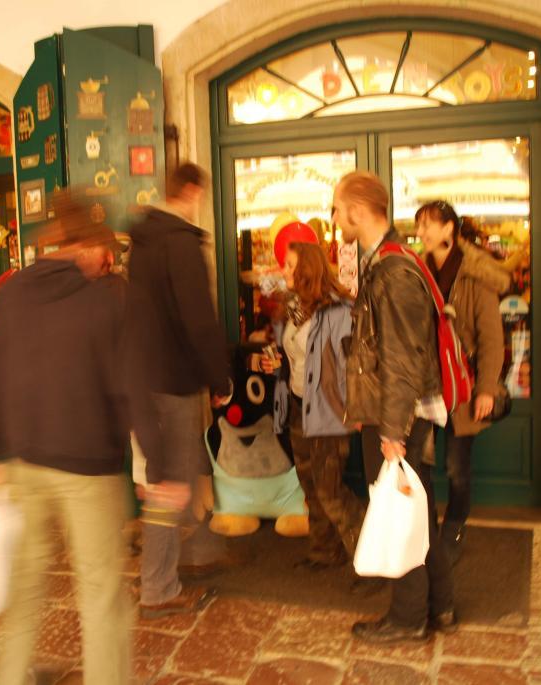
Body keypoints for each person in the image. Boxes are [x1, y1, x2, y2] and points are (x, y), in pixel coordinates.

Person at [0, 190, 160, 685]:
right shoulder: (108, 299)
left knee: (25, 588)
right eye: (105, 250)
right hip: (88, 468)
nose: (109, 260)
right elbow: (131, 386)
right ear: (86, 246)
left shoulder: (15, 292)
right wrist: (159, 464)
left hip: (23, 462)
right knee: (100, 593)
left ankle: (10, 678)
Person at [332, 171, 455, 642]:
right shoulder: (386, 262)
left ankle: (407, 618)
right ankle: (441, 607)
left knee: (400, 512)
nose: (335, 218)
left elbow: (403, 358)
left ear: (358, 210)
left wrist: (391, 432)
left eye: (337, 208)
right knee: (418, 511)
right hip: (399, 413)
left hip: (399, 416)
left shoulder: (394, 270)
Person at [128, 162, 232, 620]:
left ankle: (183, 559)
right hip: (175, 381)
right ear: (191, 191)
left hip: (148, 377)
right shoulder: (180, 243)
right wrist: (220, 378)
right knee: (171, 485)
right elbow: (199, 319)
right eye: (200, 195)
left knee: (170, 480)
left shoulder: (143, 242)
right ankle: (158, 586)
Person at [258, 240, 364, 572]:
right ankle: (324, 551)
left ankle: (371, 559)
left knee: (330, 490)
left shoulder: (337, 311)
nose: (284, 270)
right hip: (297, 406)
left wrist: (353, 409)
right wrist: (276, 365)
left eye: (290, 265)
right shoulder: (293, 307)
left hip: (327, 412)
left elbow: (351, 365)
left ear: (307, 269)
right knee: (311, 487)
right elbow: (294, 355)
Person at [416, 204, 509, 564]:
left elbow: (491, 339)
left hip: (462, 387)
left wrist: (486, 389)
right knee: (420, 463)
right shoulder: (418, 271)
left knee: (456, 467)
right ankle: (425, 531)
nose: (421, 232)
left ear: (449, 229)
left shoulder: (475, 275)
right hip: (425, 385)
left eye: (428, 225)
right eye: (419, 225)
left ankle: (454, 526)